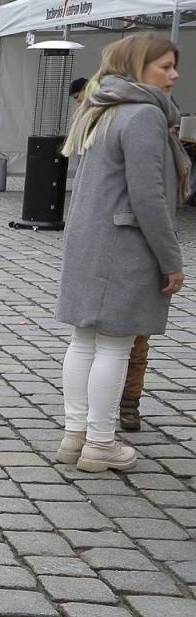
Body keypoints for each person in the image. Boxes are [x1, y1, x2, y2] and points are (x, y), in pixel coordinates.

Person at [54, 34, 187, 473]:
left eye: (173, 67)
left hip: (90, 239)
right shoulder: (144, 114)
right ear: (137, 65)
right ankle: (100, 442)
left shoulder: (100, 107)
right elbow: (149, 195)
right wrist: (172, 259)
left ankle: (76, 436)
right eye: (164, 66)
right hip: (124, 245)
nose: (173, 75)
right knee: (114, 345)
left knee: (85, 341)